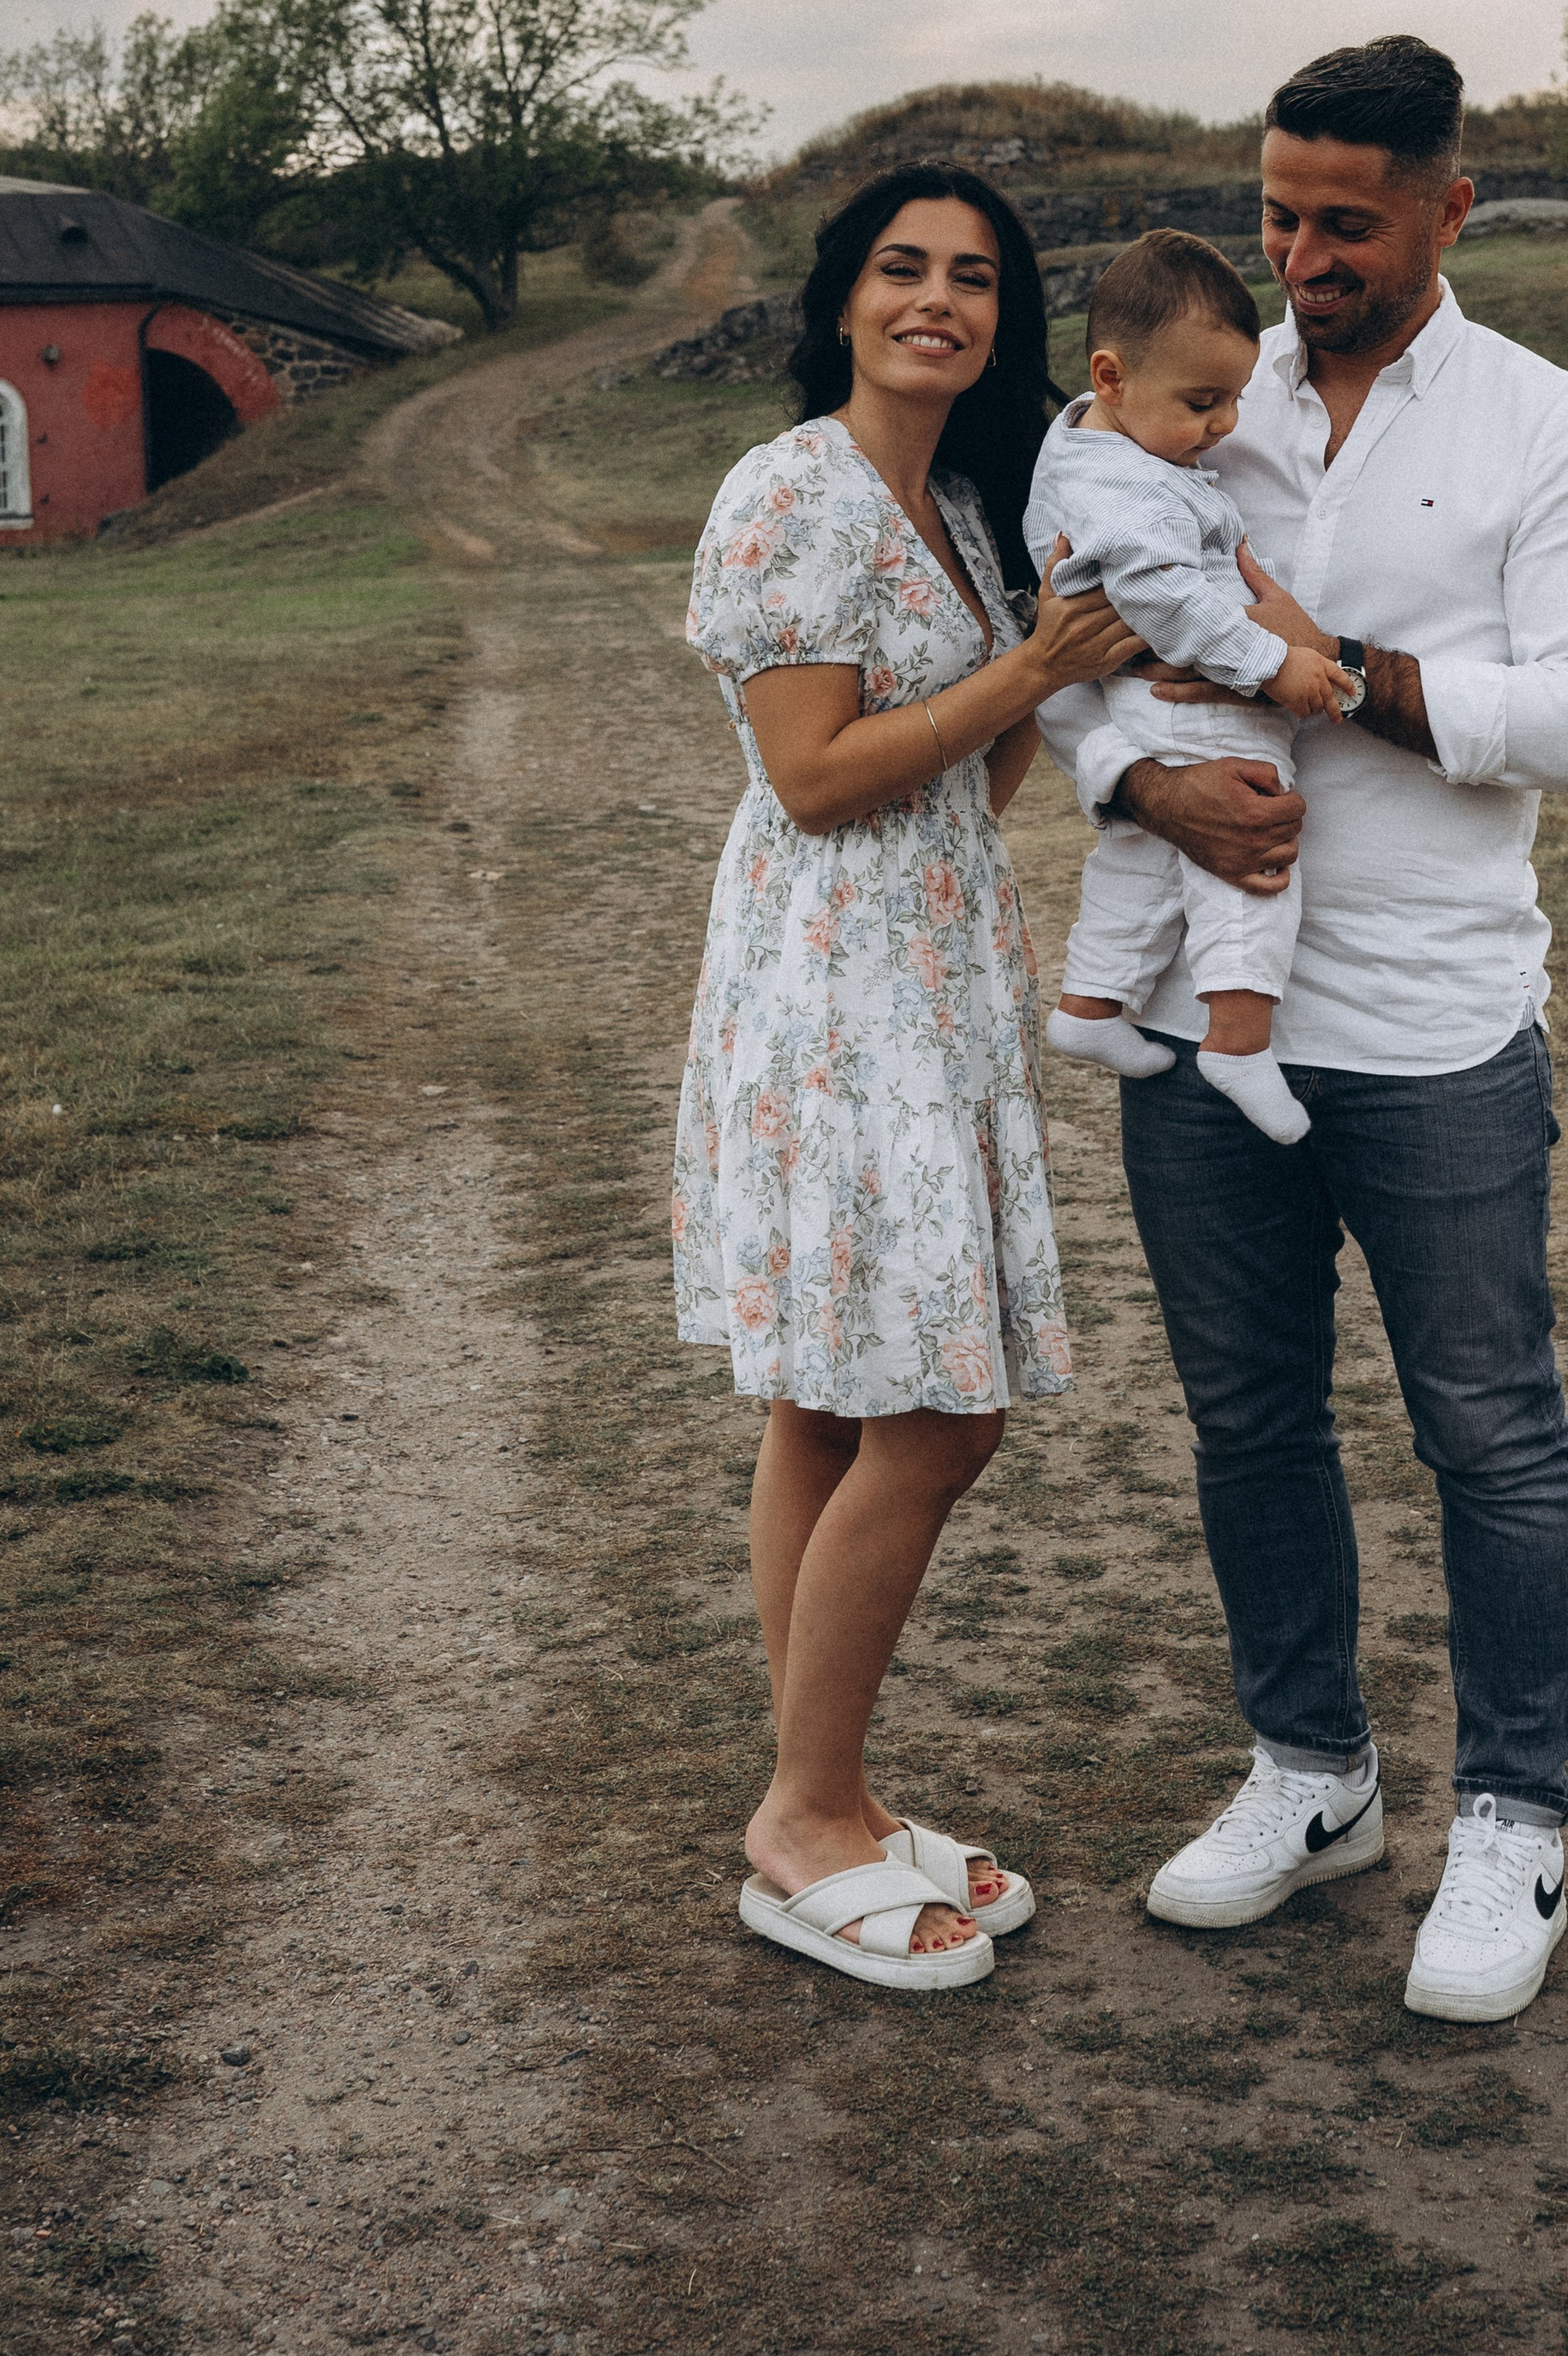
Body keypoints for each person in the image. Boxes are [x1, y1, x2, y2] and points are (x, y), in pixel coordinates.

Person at [1039, 34, 1568, 2024]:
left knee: (1485, 1421)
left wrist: (1339, 677)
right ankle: (1311, 1772)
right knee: (1245, 1416)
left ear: (1446, 207)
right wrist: (1142, 782)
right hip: (1195, 1017)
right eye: (1277, 213)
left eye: (1345, 223)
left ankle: (1509, 1816)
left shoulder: (1544, 425)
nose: (1301, 256)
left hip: (1431, 1021)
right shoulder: (1180, 398)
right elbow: (1074, 661)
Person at [671, 164, 1142, 1994]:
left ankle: (834, 1795)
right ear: (844, 300)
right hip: (833, 990)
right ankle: (801, 1822)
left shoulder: (956, 502)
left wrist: (1039, 662)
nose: (937, 298)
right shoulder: (790, 488)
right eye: (901, 267)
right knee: (939, 1414)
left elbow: (968, 778)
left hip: (930, 970)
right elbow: (812, 774)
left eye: (974, 277)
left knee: (831, 1400)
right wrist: (1026, 668)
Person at [1025, 228, 1360, 1146]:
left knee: (1144, 852)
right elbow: (1167, 599)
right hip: (1198, 695)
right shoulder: (1124, 487)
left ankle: (1092, 1003)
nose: (1224, 426)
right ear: (1110, 376)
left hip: (1142, 701)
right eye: (1203, 402)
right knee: (1250, 849)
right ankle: (1237, 1042)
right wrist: (1275, 662)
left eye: (1235, 399)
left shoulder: (1100, 450)